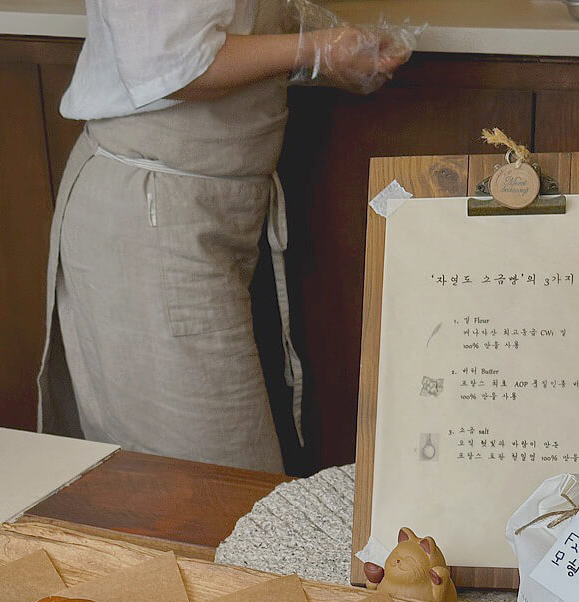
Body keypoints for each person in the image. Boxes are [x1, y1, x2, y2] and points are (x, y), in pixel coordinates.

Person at [38, 0, 414, 472]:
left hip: (200, 207)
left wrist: (321, 54)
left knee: (203, 480)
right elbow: (169, 61)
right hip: (152, 214)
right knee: (210, 480)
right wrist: (314, 50)